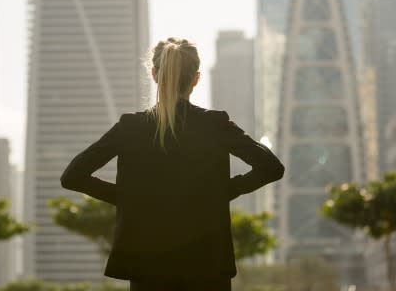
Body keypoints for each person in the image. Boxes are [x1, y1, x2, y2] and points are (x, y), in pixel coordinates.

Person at [61, 37, 285, 291]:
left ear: (155, 74)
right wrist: (223, 192)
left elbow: (72, 176)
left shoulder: (131, 127)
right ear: (196, 78)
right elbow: (271, 168)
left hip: (148, 266)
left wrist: (130, 197)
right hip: (208, 264)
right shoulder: (215, 124)